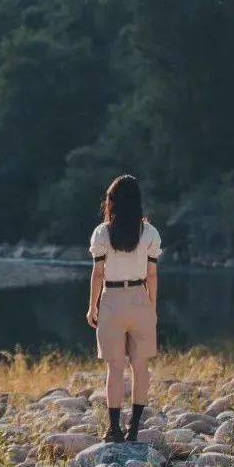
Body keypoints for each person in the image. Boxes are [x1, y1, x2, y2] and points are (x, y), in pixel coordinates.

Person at [86, 173, 160, 443]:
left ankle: (114, 429)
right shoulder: (150, 233)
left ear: (112, 202)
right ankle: (135, 428)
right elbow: (152, 275)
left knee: (114, 368)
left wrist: (92, 307)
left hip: (112, 299)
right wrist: (151, 307)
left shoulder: (102, 232)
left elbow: (97, 274)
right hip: (140, 297)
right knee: (140, 367)